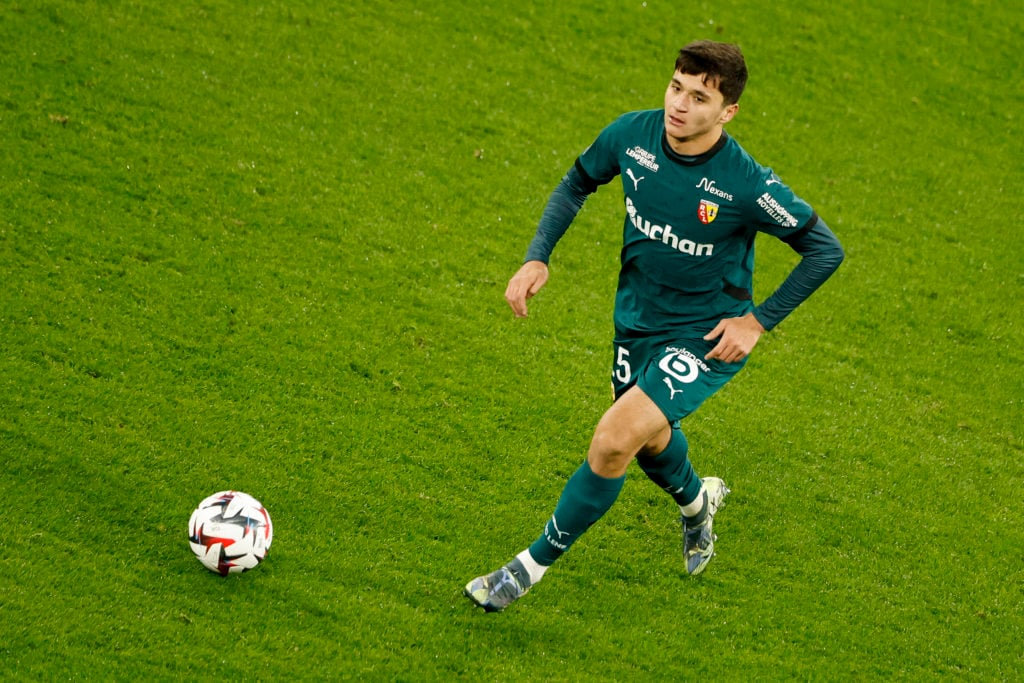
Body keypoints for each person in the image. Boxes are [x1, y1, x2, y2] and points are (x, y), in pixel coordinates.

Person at [464, 40, 844, 612]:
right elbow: (576, 184)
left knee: (614, 439)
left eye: (699, 97)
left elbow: (824, 250)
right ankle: (697, 506)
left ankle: (524, 571)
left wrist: (758, 323)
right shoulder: (631, 135)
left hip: (704, 336)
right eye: (675, 88)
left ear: (727, 112)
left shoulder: (746, 185)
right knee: (645, 442)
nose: (680, 106)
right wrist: (538, 254)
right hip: (636, 321)